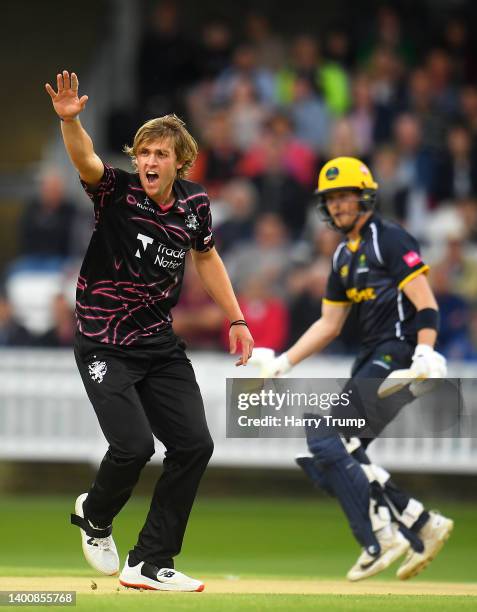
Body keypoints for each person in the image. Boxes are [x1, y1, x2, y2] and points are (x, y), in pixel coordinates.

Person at [45, 70, 253, 592]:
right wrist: (71, 122)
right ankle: (94, 515)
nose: (150, 162)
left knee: (194, 445)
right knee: (134, 447)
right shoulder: (115, 192)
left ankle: (149, 561)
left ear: (181, 162)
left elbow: (206, 257)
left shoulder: (194, 205)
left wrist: (236, 317)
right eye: (143, 153)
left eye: (161, 154)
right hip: (103, 341)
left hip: (158, 345)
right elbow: (86, 160)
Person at [252, 157, 453, 581]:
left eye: (345, 195)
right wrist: (283, 362)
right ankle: (419, 522)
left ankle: (381, 535)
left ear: (365, 195)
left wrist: (425, 353)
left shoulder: (390, 239)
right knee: (336, 452)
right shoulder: (343, 255)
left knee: (327, 438)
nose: (339, 205)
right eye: (331, 198)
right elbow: (329, 324)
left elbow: (426, 303)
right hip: (373, 355)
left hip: (399, 355)